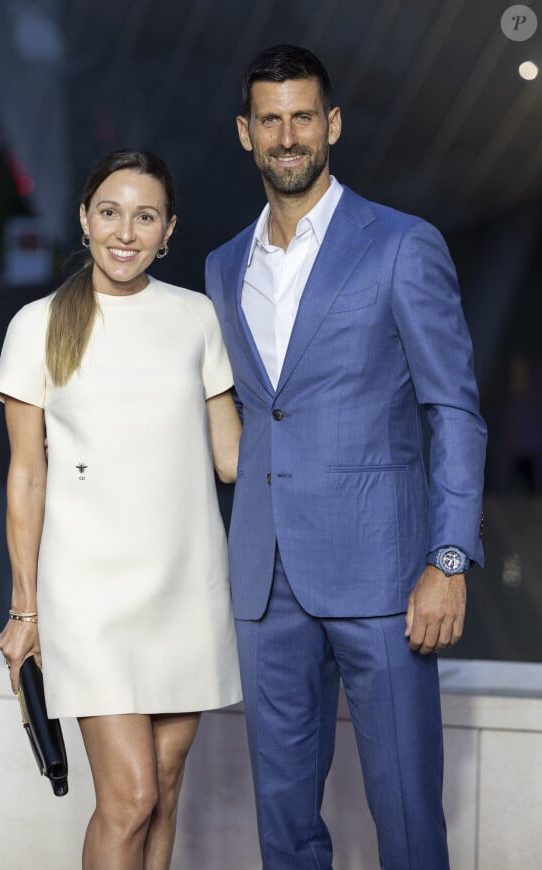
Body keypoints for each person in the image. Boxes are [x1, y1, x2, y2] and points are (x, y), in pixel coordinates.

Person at [205, 44, 487, 869]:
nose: (286, 135)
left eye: (302, 116)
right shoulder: (224, 267)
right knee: (284, 829)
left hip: (385, 579)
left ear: (330, 124)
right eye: (269, 119)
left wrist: (447, 558)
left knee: (406, 820)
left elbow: (455, 411)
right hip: (266, 581)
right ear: (244, 133)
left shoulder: (402, 245)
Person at [0, 149, 242, 870]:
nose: (124, 231)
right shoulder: (37, 324)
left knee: (164, 789)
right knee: (129, 797)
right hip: (90, 600)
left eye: (144, 216)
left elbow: (233, 459)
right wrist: (25, 608)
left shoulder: (196, 317)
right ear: (84, 219)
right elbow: (26, 478)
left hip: (186, 589)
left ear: (168, 231)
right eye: (109, 212)